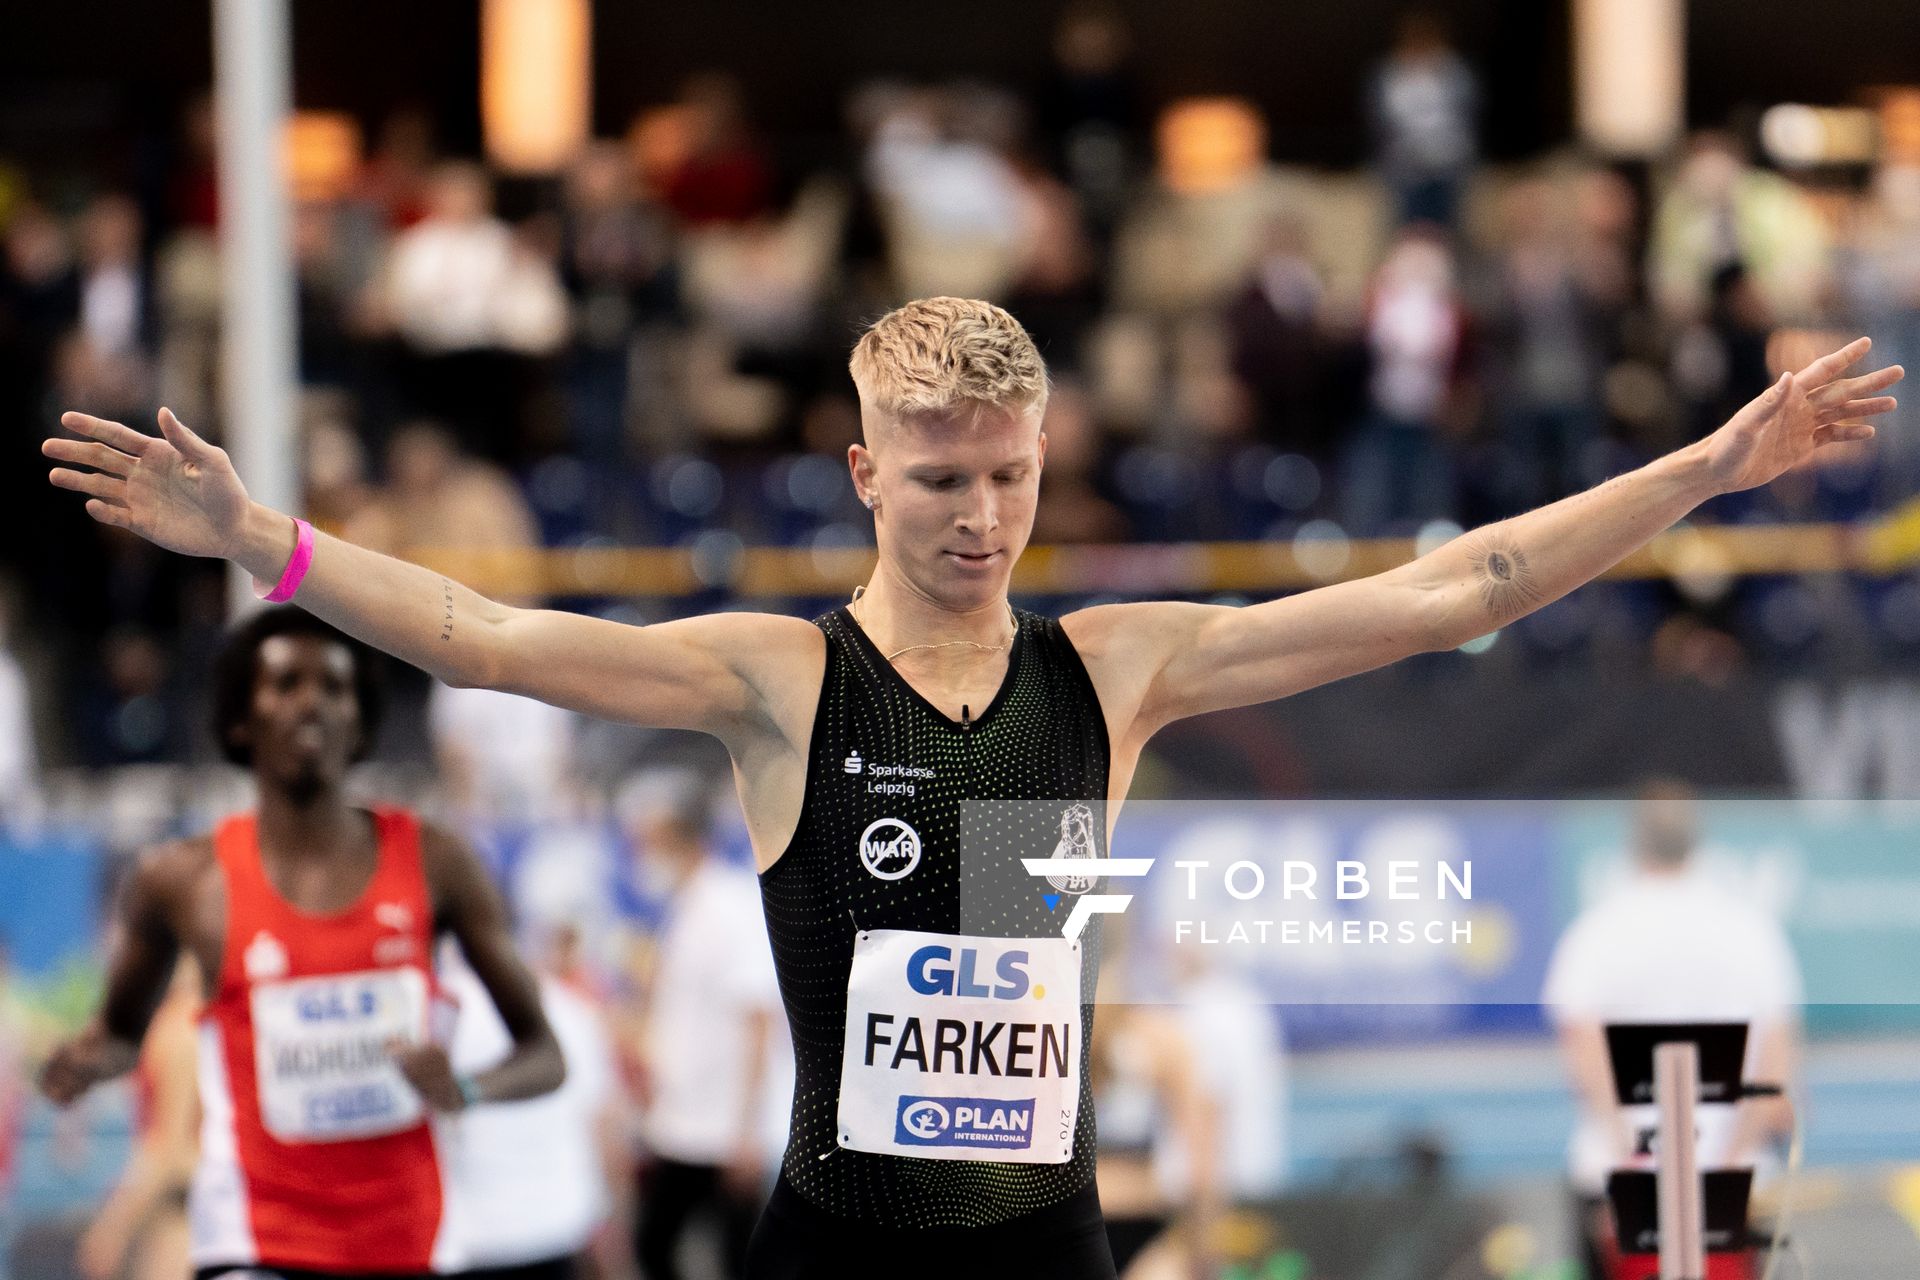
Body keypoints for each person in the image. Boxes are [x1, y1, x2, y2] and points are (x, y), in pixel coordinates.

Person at [42, 298, 1899, 1279]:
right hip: (832, 1243)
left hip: (1042, 1242)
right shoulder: (775, 681)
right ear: (862, 473)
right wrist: (259, 540)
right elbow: (479, 632)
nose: (981, 517)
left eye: (1008, 476)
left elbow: (1462, 588)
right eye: (939, 480)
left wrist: (1709, 470)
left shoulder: (1118, 669)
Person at [37, 607, 566, 1279]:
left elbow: (545, 1055)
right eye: (286, 684)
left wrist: (466, 1084)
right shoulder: (182, 880)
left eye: (334, 687)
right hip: (255, 1245)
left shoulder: (438, 863)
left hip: (409, 1242)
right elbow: (119, 1036)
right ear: (239, 719)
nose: (311, 701)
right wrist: (81, 1061)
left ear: (362, 720)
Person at [1543, 780, 1802, 1280]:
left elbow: (1585, 1058)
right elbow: (1776, 1070)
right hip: (1731, 1179)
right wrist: (1727, 1166)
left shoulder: (1597, 933)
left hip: (1618, 1179)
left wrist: (1632, 1160)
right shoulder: (1752, 933)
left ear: (1633, 841)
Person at [621, 771, 783, 1280]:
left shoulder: (728, 906)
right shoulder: (686, 906)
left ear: (677, 836)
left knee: (735, 1256)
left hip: (723, 1129)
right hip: (683, 1119)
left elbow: (759, 1017)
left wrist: (747, 1130)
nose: (640, 856)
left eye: (648, 842)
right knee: (657, 1243)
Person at [75, 956, 201, 1280]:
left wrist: (113, 1227)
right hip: (178, 1211)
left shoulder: (180, 1030)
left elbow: (167, 1149)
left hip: (186, 1216)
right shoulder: (179, 1024)